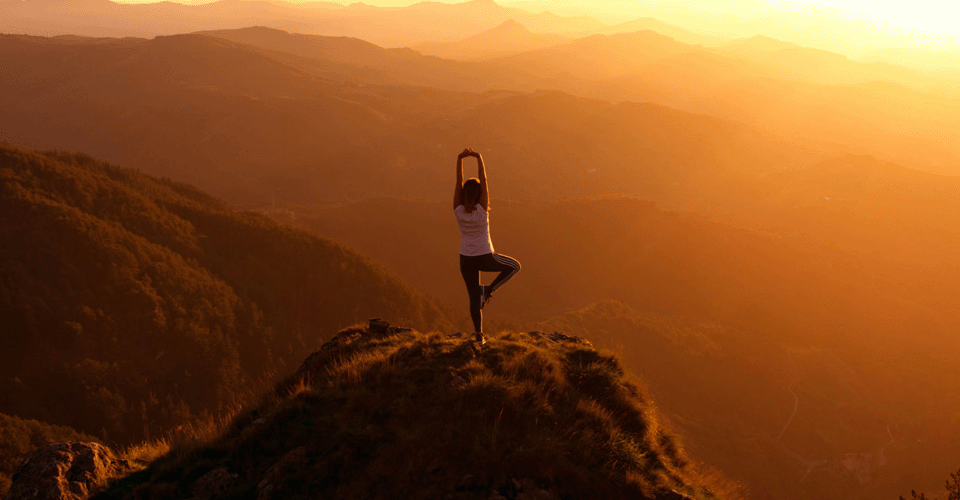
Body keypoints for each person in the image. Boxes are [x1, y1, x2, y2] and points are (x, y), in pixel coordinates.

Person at [453, 148, 521, 345]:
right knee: (514, 266)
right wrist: (478, 157)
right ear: (479, 193)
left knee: (473, 298)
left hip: (465, 259)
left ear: (464, 193)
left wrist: (459, 159)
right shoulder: (482, 209)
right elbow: (485, 180)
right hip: (485, 256)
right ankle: (489, 290)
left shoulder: (457, 210)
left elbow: (458, 183)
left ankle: (479, 335)